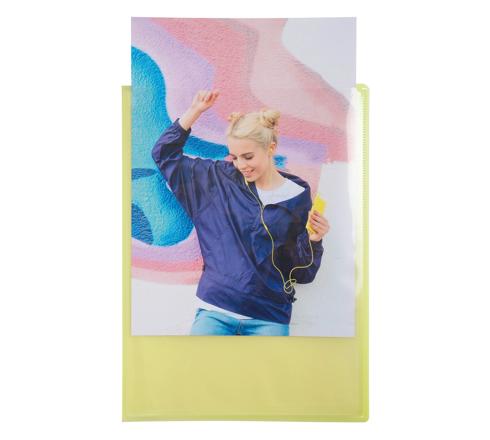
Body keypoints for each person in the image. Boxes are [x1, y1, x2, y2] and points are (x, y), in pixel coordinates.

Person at [151, 89, 330, 336]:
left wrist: (314, 241)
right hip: (215, 311)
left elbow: (301, 272)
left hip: (269, 317)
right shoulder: (218, 179)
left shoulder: (297, 195)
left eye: (248, 156)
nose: (241, 165)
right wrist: (195, 111)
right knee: (194, 363)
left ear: (271, 148)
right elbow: (163, 154)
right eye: (235, 157)